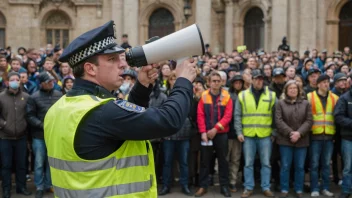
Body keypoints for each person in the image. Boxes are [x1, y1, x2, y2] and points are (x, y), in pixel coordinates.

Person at [44, 20, 197, 198]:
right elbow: (169, 120)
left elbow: (122, 127)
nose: (123, 64)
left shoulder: (60, 107)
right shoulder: (101, 112)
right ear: (90, 68)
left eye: (120, 57)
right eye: (112, 59)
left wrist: (141, 85)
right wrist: (183, 80)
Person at [235, 69, 276, 198]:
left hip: (265, 135)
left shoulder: (271, 95)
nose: (259, 81)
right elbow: (237, 115)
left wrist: (274, 132)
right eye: (257, 78)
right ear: (252, 80)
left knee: (266, 163)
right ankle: (248, 187)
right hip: (248, 135)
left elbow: (276, 116)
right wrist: (239, 132)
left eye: (261, 79)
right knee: (248, 163)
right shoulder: (242, 95)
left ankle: (266, 187)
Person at [26, 71, 63, 198]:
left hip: (54, 135)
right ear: (42, 84)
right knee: (39, 163)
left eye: (52, 81)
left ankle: (49, 184)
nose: (51, 83)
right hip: (39, 136)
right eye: (48, 82)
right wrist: (43, 125)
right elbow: (30, 116)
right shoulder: (34, 97)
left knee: (51, 162)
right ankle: (39, 186)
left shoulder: (59, 95)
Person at [275, 80, 313, 198]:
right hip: (285, 140)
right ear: (286, 90)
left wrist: (299, 133)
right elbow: (278, 121)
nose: (293, 90)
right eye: (290, 88)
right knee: (285, 166)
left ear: (299, 90)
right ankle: (285, 189)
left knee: (300, 167)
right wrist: (291, 133)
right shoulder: (280, 103)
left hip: (302, 140)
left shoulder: (306, 103)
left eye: (295, 88)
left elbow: (309, 120)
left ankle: (298, 189)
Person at [0, 72, 31, 198]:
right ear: (7, 82)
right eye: (12, 79)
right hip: (5, 137)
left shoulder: (26, 97)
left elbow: (29, 115)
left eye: (17, 79)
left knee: (21, 164)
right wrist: (4, 124)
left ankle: (21, 187)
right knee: (6, 165)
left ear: (20, 81)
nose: (14, 81)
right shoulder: (1, 97)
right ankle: (6, 189)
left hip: (21, 137)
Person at [307, 74, 339, 197]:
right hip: (315, 136)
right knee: (314, 164)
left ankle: (325, 188)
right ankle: (314, 188)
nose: (326, 84)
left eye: (328, 82)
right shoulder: (310, 97)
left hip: (329, 136)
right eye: (324, 82)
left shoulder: (335, 98)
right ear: (318, 84)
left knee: (326, 164)